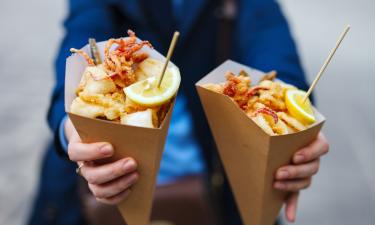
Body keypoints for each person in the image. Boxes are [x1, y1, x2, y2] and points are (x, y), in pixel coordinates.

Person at [28, 0, 329, 225]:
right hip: (90, 192)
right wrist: (73, 131)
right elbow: (81, 36)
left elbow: (272, 44)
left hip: (219, 184)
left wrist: (291, 129)